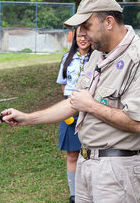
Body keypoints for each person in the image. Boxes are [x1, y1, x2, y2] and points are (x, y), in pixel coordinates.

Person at [2, 0, 140, 203]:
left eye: (87, 25)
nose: (82, 34)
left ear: (109, 22)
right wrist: (27, 118)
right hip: (86, 162)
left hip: (116, 169)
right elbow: (75, 103)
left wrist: (93, 106)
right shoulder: (98, 55)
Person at [56, 26, 92, 203]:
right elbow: (63, 85)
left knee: (91, 154)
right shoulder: (67, 58)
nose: (83, 39)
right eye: (79, 36)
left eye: (86, 36)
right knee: (72, 154)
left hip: (91, 110)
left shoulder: (98, 58)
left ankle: (90, 193)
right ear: (75, 38)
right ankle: (74, 195)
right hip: (70, 110)